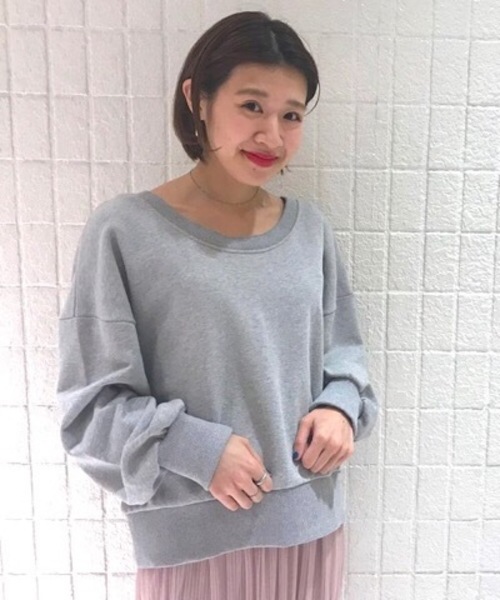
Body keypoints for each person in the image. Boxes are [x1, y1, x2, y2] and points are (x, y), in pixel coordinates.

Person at [57, 10, 378, 600]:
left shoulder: (309, 231)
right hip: (192, 546)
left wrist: (340, 409)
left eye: (291, 115)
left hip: (311, 529)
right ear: (198, 100)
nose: (272, 136)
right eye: (251, 106)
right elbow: (89, 410)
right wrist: (196, 449)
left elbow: (347, 361)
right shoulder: (125, 231)